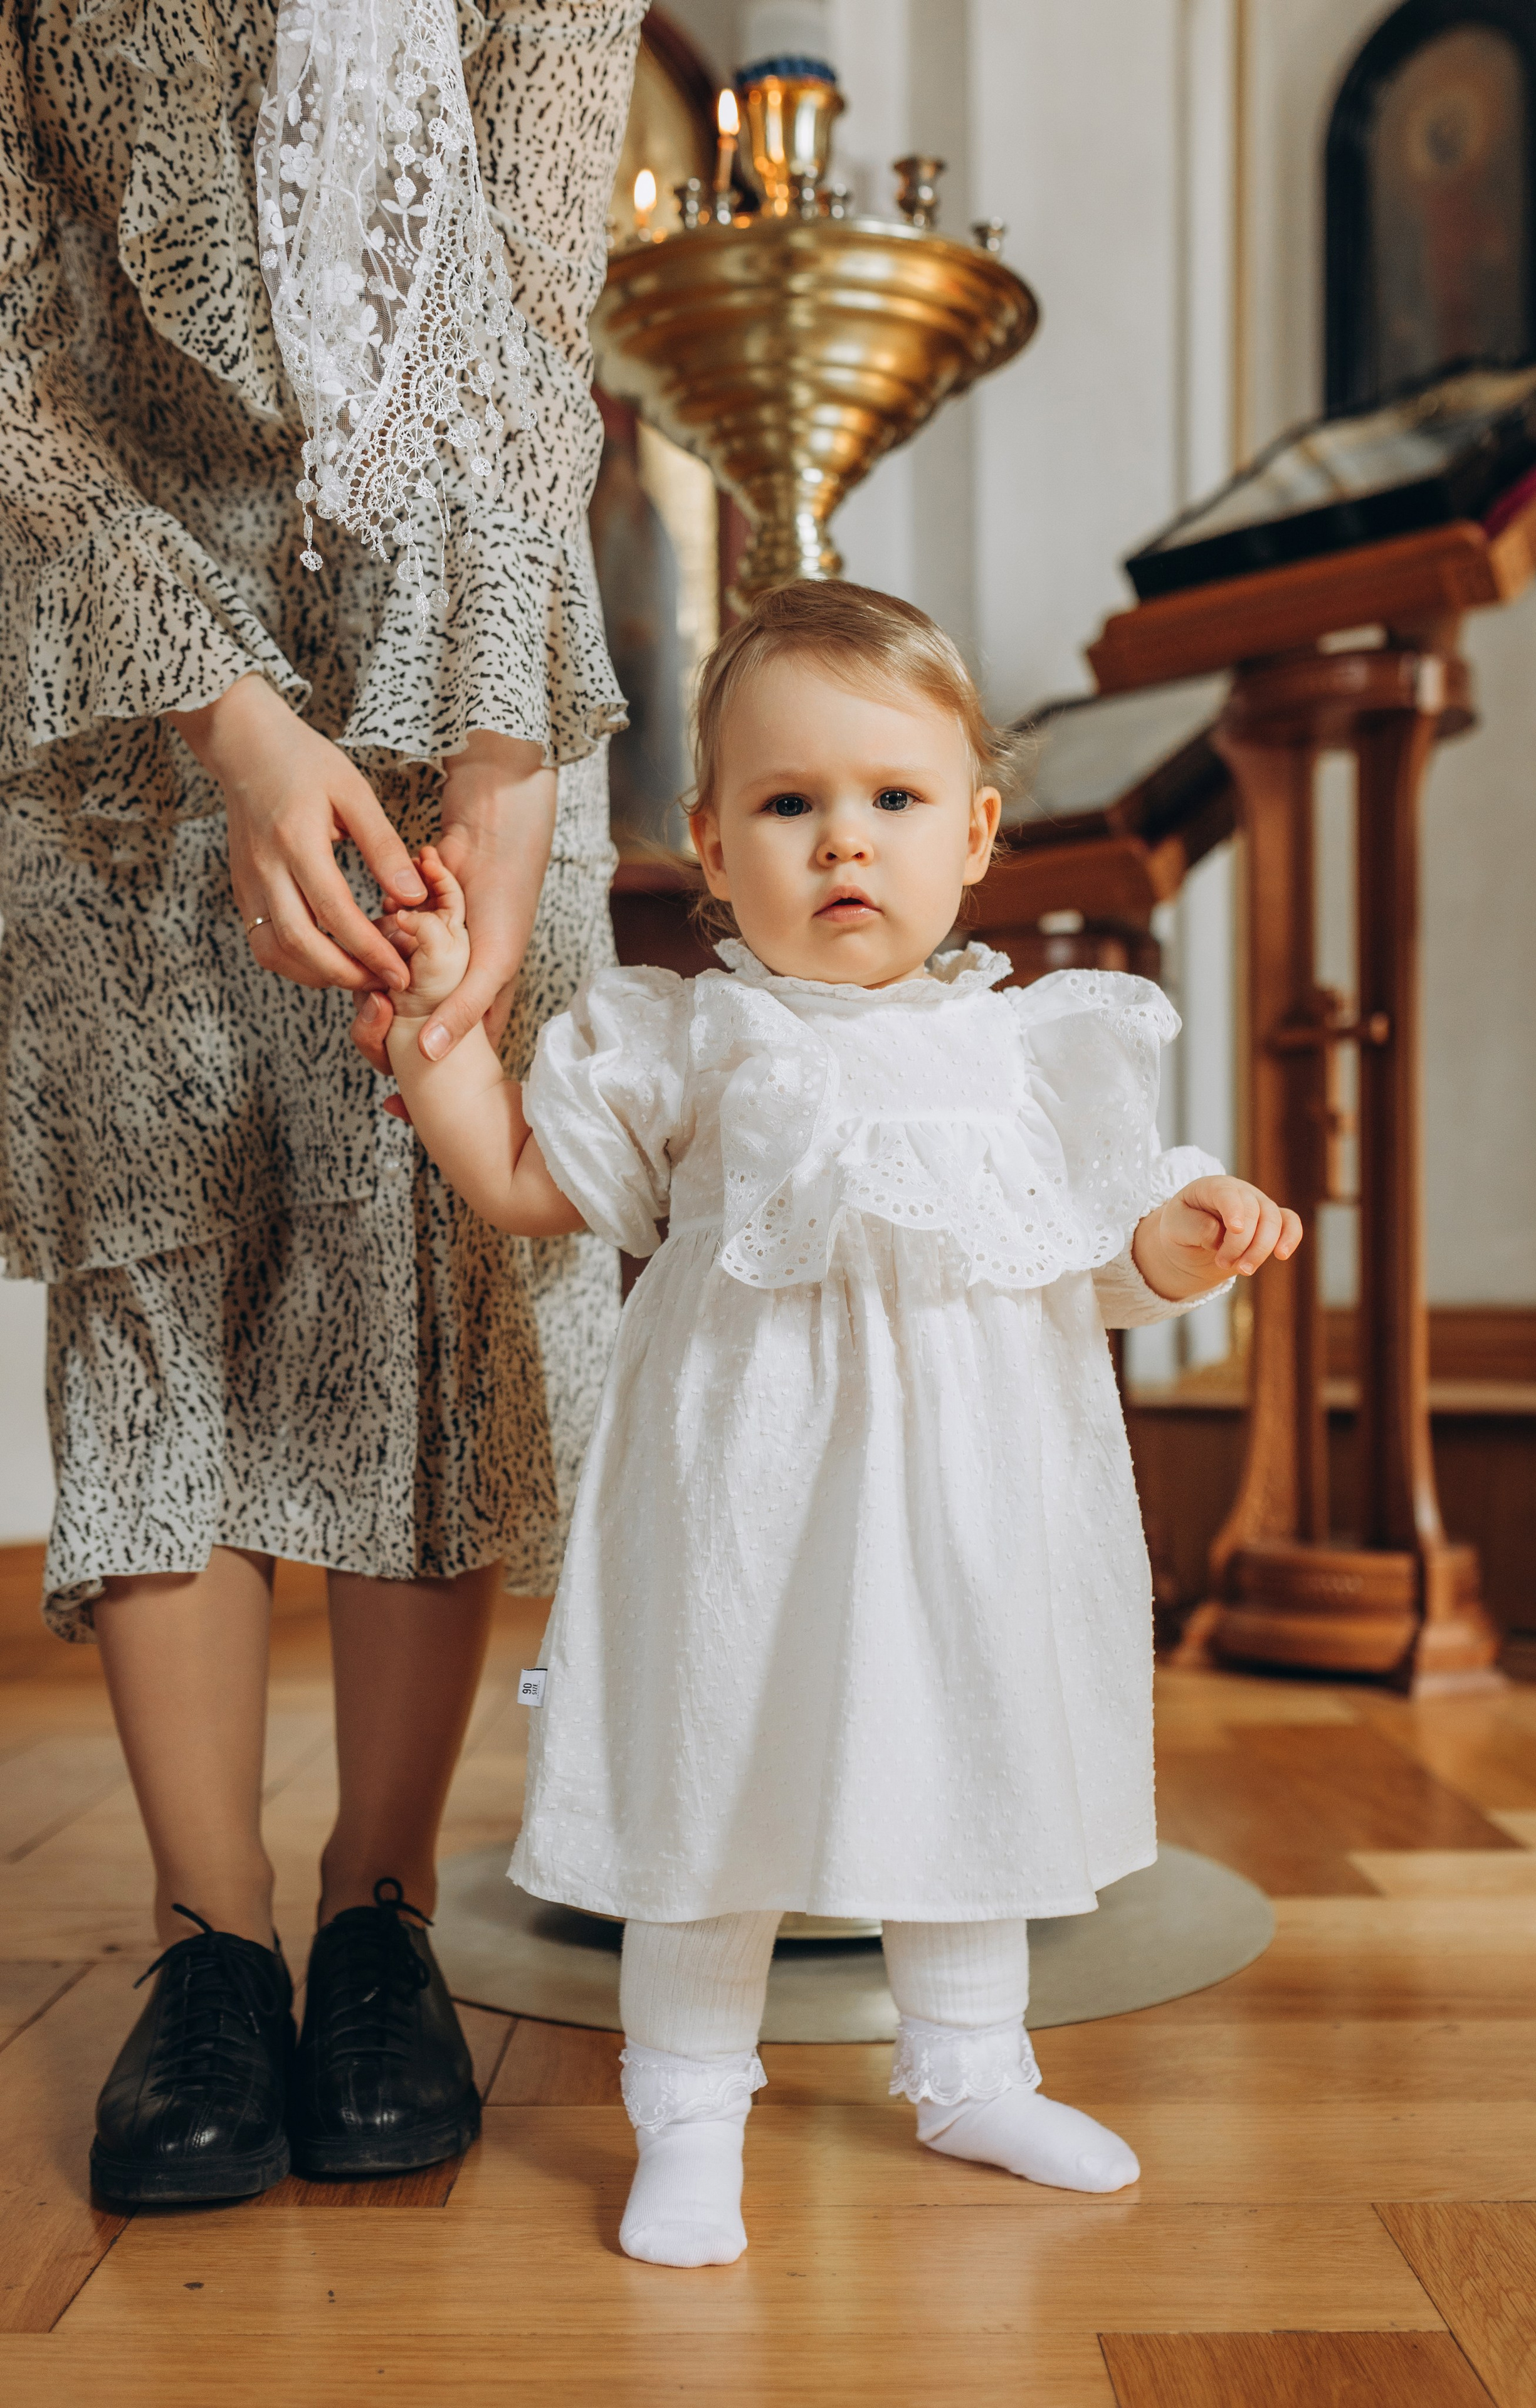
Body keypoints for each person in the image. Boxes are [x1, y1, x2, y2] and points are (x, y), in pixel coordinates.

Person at [382, 578, 1305, 2266]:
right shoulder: (696, 1032)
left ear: (977, 831)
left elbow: (1105, 1249)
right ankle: (687, 2103)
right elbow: (529, 1182)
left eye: (891, 802)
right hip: (745, 1492)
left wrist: (1187, 1237)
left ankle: (966, 2070)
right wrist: (440, 1044)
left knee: (966, 1761)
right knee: (712, 1779)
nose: (843, 846)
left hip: (973, 1502)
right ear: (715, 848)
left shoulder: (1032, 1053)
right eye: (790, 805)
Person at [0, 0, 646, 2202]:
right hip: (112, 654)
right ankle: (208, 1938)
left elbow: (528, 325)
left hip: (463, 643)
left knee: (427, 1254)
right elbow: (5, 349)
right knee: (159, 1261)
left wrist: (504, 795)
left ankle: (380, 1914)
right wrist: (233, 717)